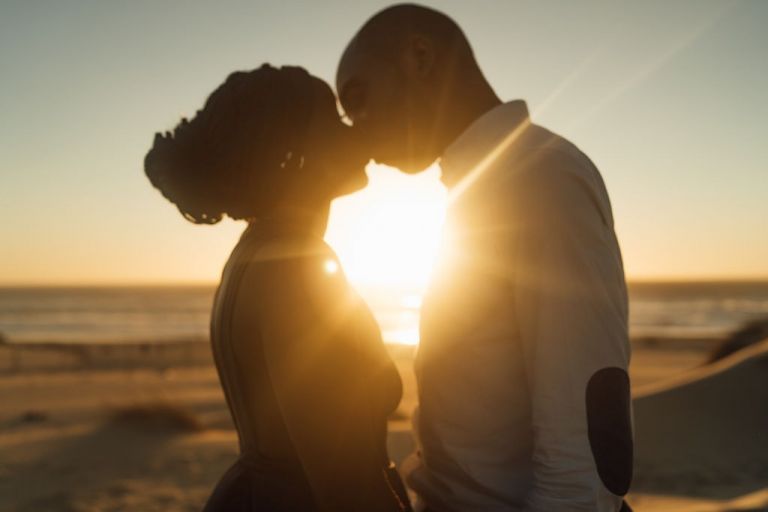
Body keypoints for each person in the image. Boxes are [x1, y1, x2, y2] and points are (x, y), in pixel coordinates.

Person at [337, 4, 633, 511]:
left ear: (420, 55)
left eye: (359, 99)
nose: (357, 131)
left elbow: (583, 439)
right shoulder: (481, 190)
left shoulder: (541, 179)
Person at [144, 64, 412, 512]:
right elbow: (349, 492)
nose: (352, 131)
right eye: (332, 121)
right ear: (293, 153)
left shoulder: (254, 255)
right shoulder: (297, 271)